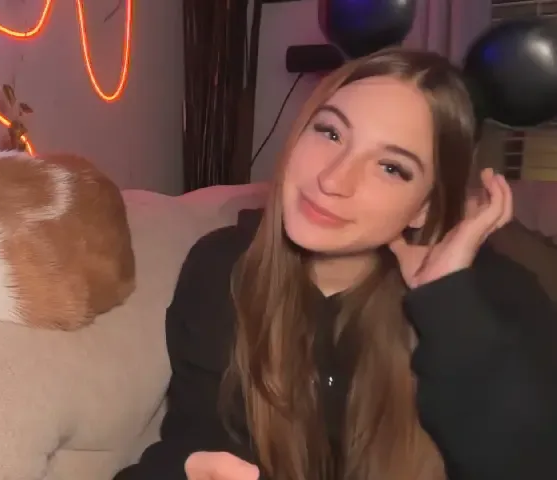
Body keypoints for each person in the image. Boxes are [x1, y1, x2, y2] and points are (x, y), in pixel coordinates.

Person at [114, 48, 557, 480]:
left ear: (424, 207)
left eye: (391, 167)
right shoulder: (221, 270)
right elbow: (195, 445)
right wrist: (181, 470)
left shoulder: (495, 299)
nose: (333, 179)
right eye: (330, 133)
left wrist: (447, 305)